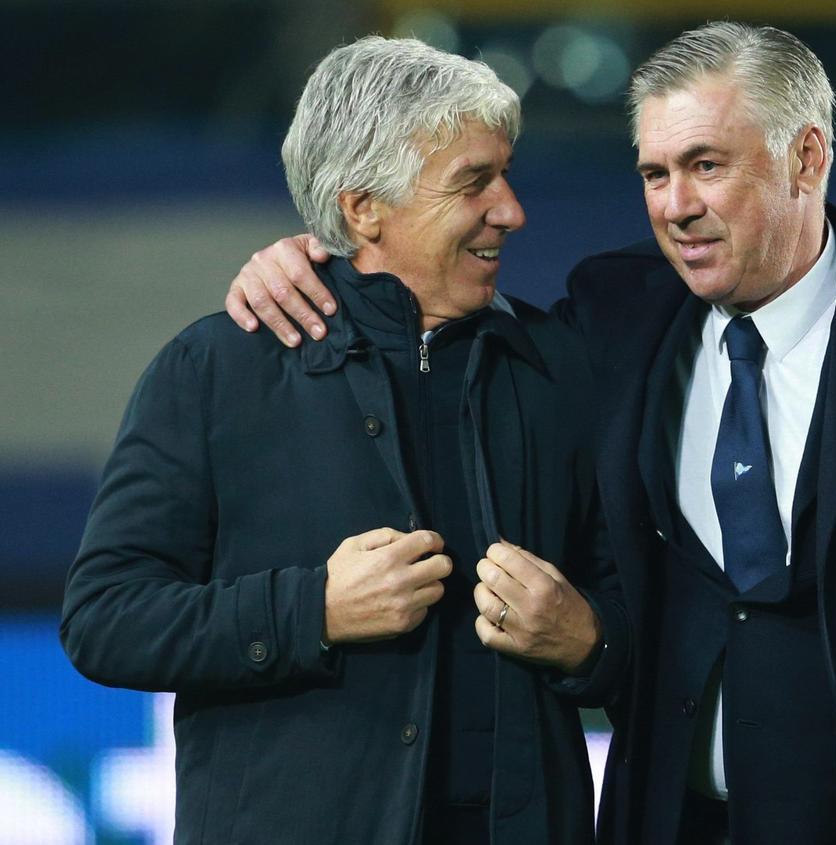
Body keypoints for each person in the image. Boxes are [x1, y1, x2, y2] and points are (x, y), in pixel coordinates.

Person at [223, 22, 836, 845]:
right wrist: (314, 264)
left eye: (708, 165)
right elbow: (434, 320)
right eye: (655, 172)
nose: (677, 204)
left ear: (807, 157)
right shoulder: (615, 311)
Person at [61, 36, 628, 845]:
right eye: (474, 182)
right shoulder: (218, 368)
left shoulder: (560, 369)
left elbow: (644, 615)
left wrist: (590, 643)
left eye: (505, 174)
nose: (511, 210)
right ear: (364, 208)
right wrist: (311, 610)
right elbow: (105, 618)